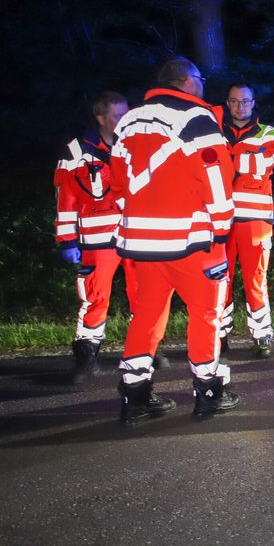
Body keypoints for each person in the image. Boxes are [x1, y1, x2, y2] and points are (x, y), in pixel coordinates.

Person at [109, 57, 240, 426]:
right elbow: (216, 176)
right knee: (206, 316)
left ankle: (135, 397)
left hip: (141, 244)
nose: (202, 83)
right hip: (192, 243)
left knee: (146, 315)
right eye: (199, 78)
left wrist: (136, 219)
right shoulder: (196, 118)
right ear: (185, 80)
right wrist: (221, 228)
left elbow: (116, 180)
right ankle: (209, 394)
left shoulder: (129, 120)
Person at [54, 91, 139, 384]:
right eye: (118, 116)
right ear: (100, 118)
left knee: (142, 293)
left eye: (127, 115)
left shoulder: (137, 144)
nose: (124, 121)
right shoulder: (77, 152)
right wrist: (67, 240)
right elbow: (65, 199)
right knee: (95, 297)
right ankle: (87, 355)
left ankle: (145, 350)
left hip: (135, 233)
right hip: (96, 236)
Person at [219, 82, 274, 358]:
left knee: (256, 278)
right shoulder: (215, 130)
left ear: (253, 102)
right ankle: (219, 335)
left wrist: (226, 160)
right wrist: (242, 157)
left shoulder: (268, 132)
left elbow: (260, 166)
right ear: (227, 103)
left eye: (245, 101)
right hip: (219, 219)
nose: (239, 106)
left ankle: (262, 335)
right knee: (220, 279)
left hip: (255, 219)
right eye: (234, 101)